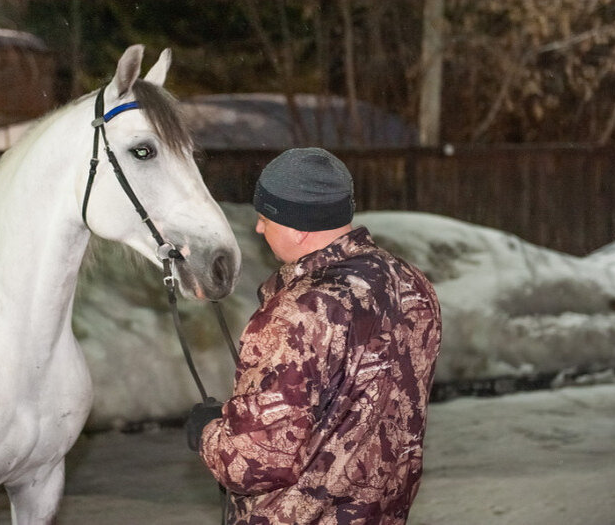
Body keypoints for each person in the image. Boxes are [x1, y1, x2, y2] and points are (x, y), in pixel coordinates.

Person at [186, 148, 442, 524]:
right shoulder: (410, 282)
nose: (259, 229)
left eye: (264, 218)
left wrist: (208, 431)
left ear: (298, 227)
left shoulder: (301, 310)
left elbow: (255, 462)